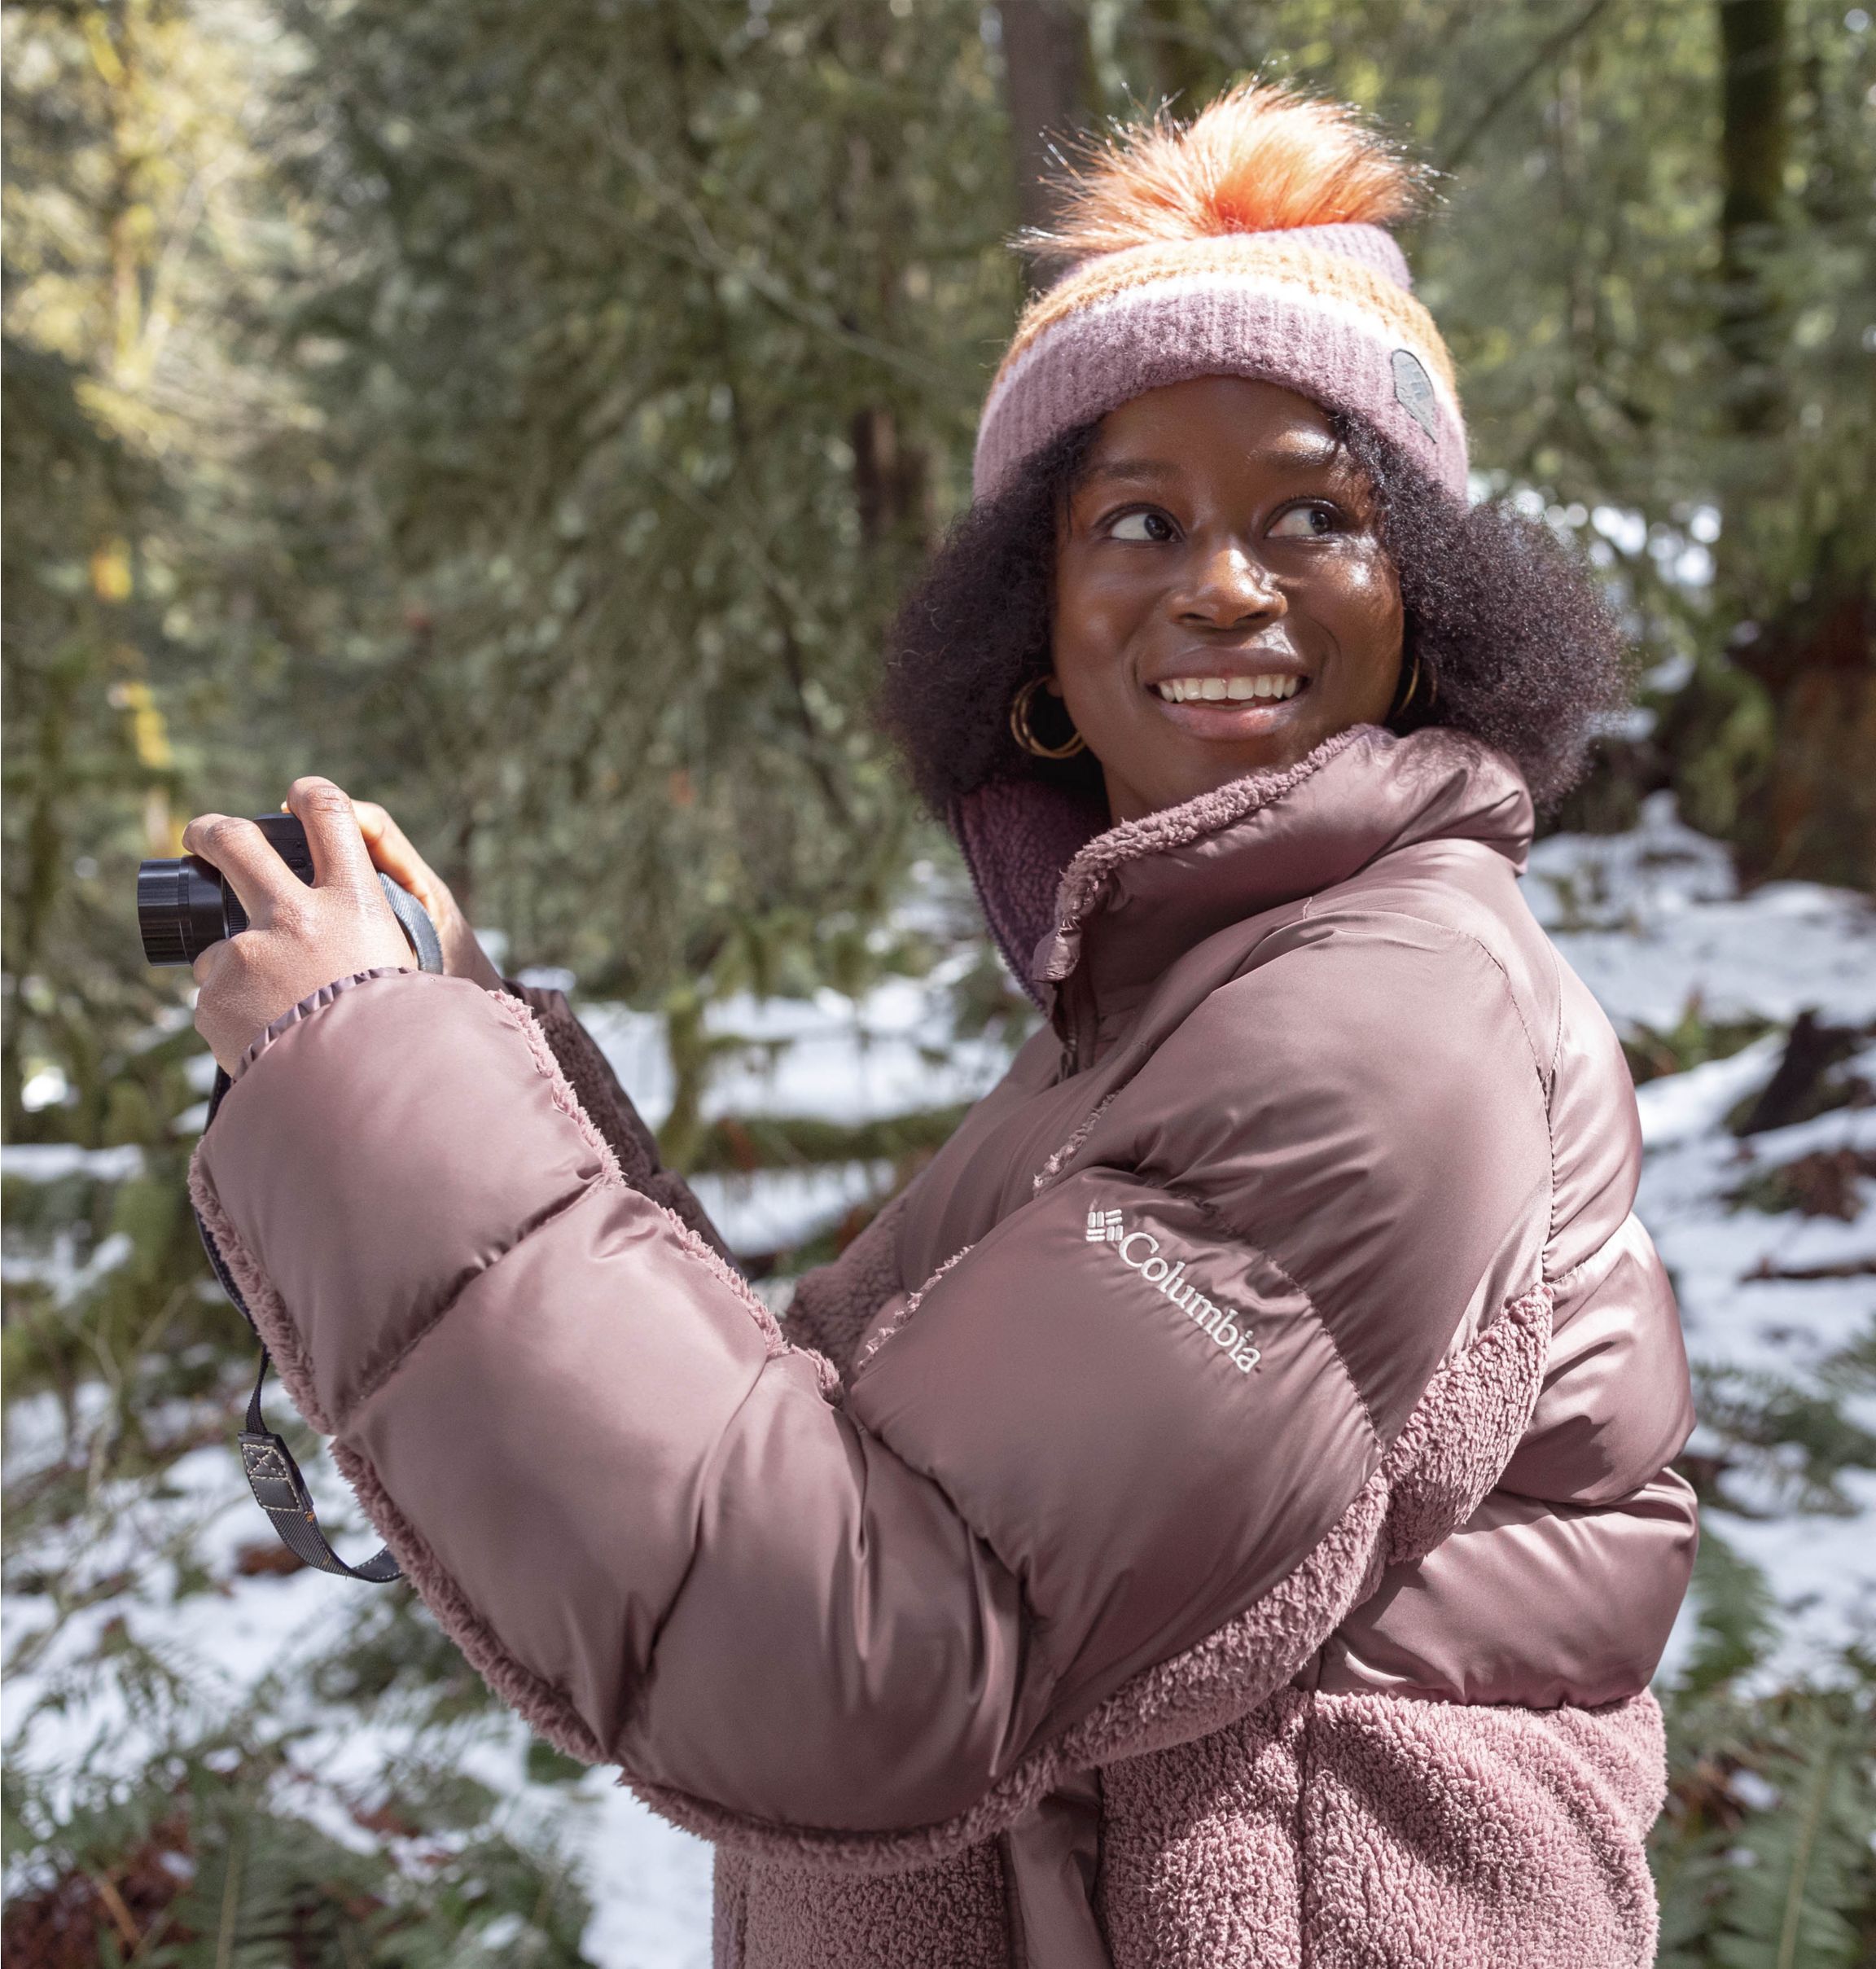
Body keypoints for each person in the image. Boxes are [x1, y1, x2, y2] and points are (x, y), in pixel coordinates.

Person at [183, 83, 1697, 1969]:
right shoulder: (1166, 1012)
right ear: (1039, 645)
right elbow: (808, 1441)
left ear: (1430, 609)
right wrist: (452, 1036)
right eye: (1136, 519)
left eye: (1317, 510)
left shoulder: (1386, 1030)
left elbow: (867, 1654)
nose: (1226, 580)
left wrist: (372, 1092)